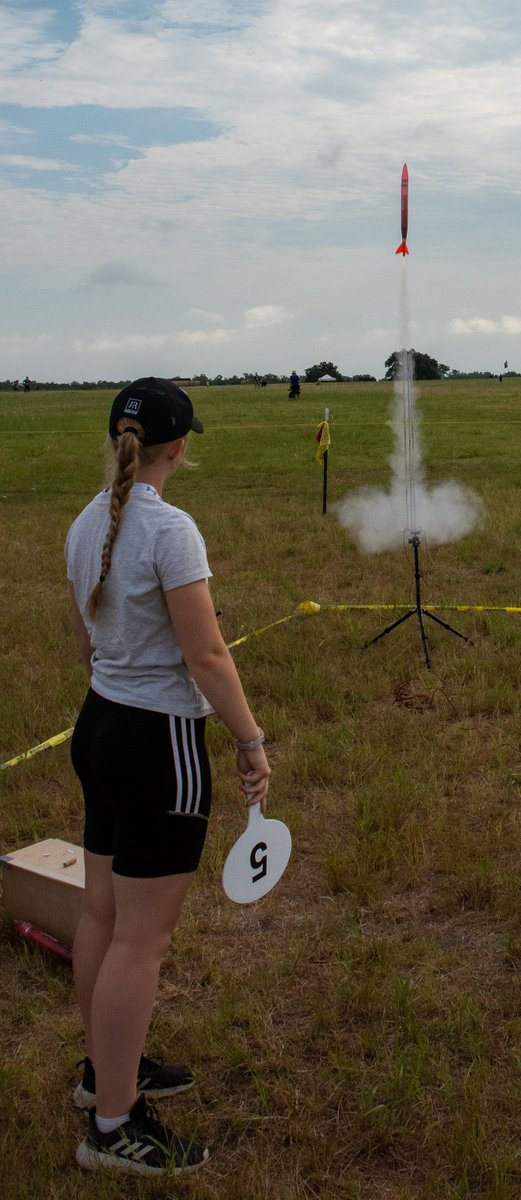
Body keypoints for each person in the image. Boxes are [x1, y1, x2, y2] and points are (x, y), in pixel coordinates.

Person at [66, 378, 271, 1174]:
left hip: (99, 727)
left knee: (103, 916)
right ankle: (115, 1127)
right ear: (179, 446)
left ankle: (102, 1076)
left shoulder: (88, 521)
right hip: (158, 745)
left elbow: (86, 643)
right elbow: (207, 655)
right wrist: (250, 741)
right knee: (141, 941)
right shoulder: (170, 529)